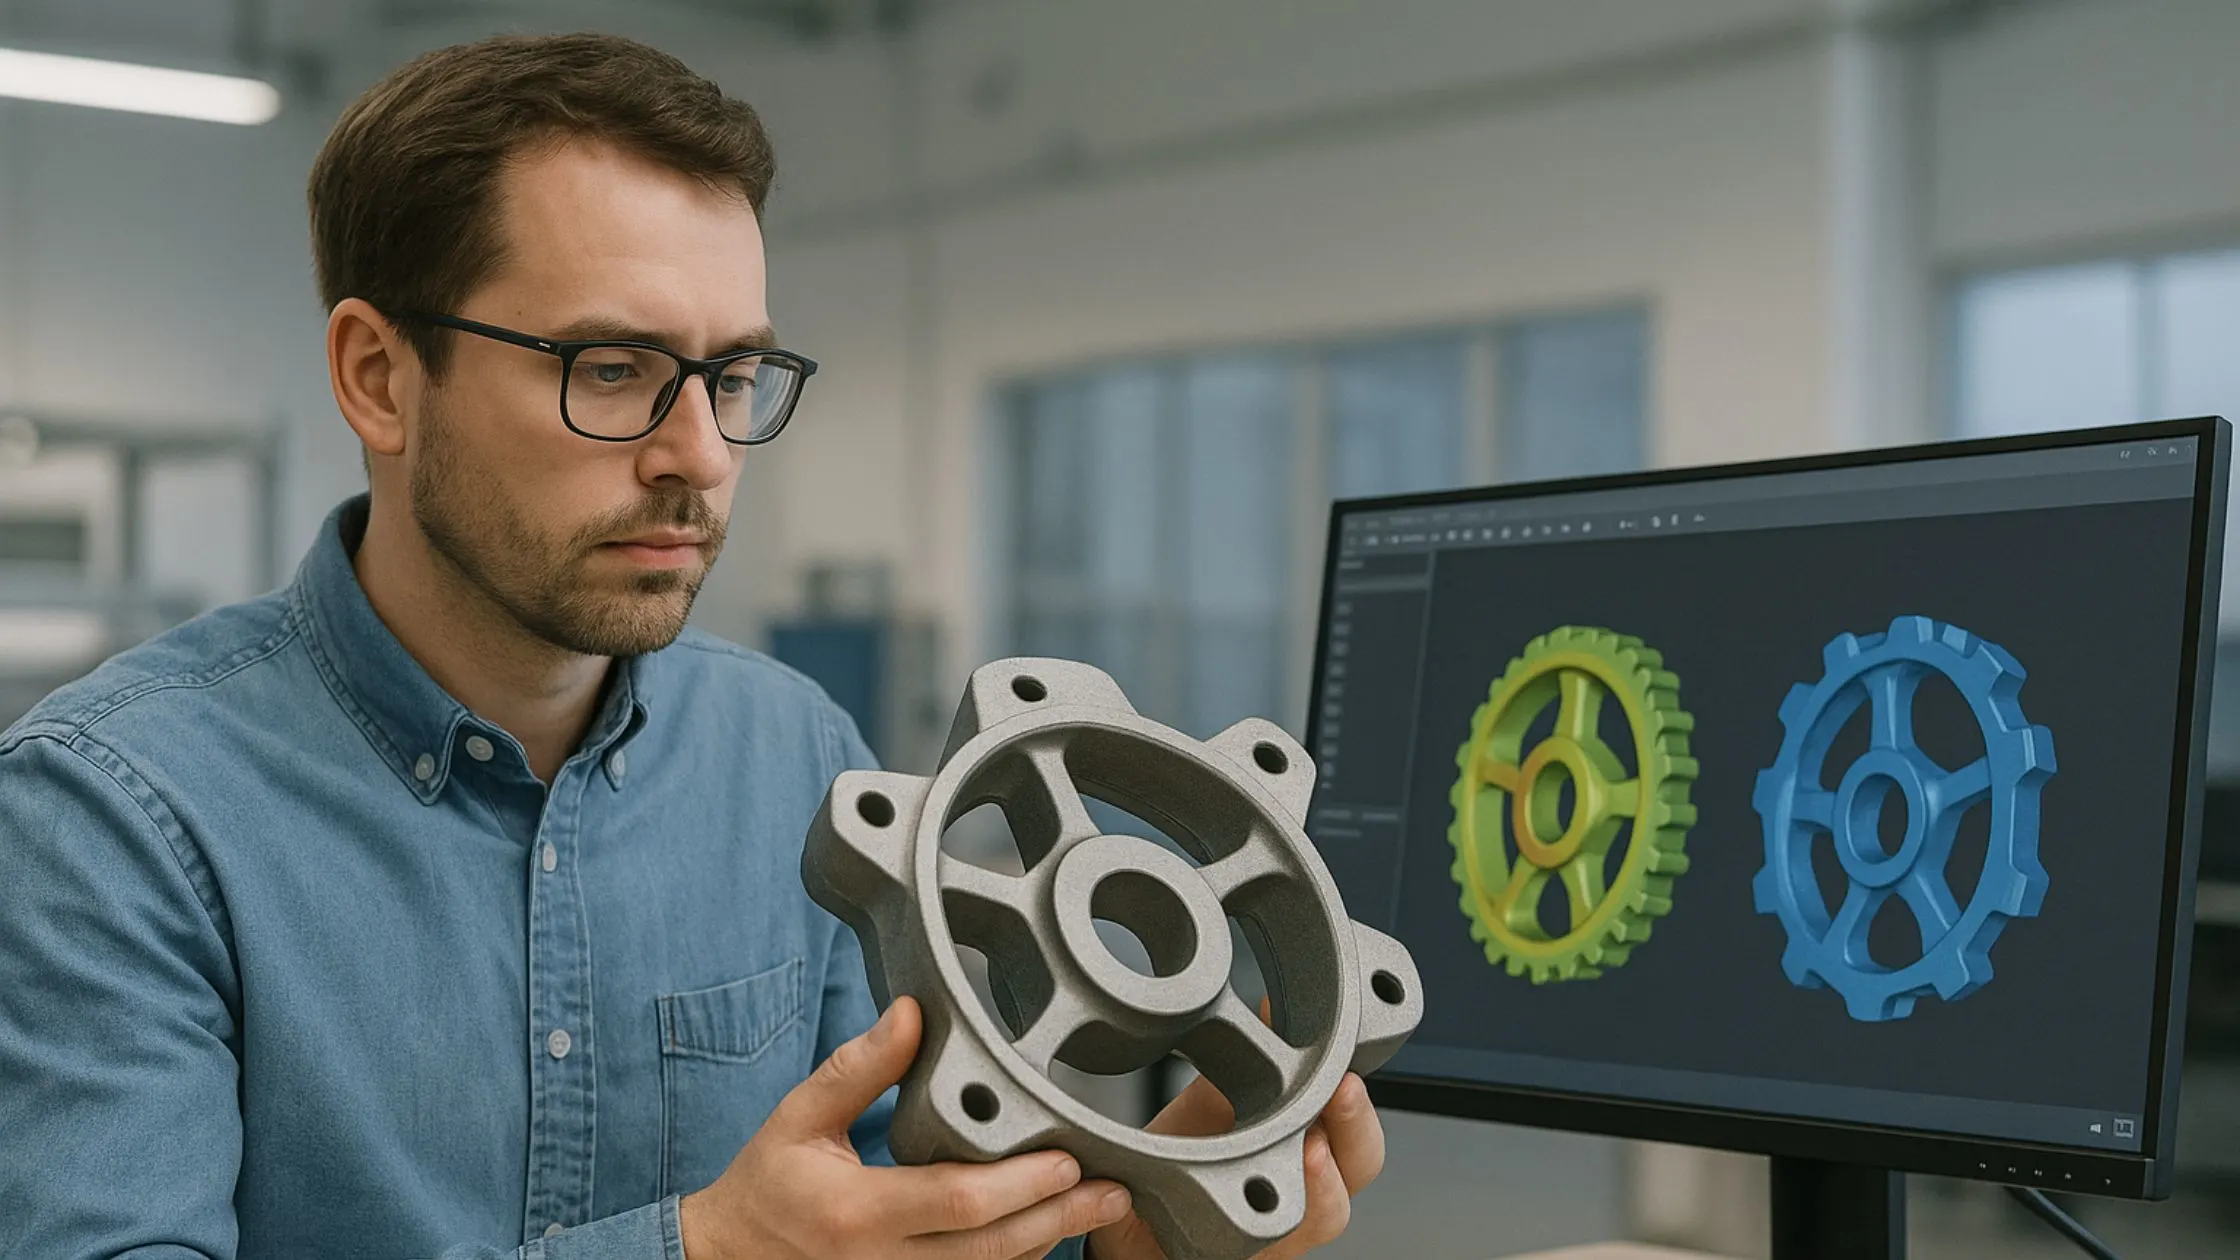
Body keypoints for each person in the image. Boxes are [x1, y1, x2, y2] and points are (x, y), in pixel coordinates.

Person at [0, 30, 1385, 1260]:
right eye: (612, 370)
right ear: (379, 376)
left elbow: (912, 1218)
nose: (701, 455)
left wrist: (1130, 1241)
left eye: (733, 375)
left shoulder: (791, 759)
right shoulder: (111, 819)